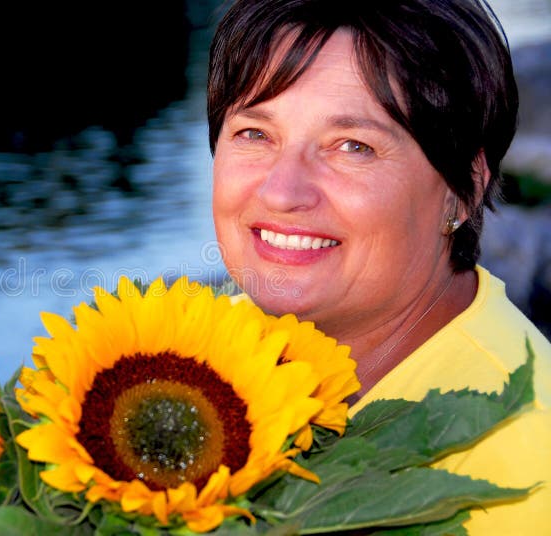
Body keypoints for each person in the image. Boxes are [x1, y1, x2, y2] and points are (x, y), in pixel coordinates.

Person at [207, 0, 551, 533]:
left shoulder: (525, 463)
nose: (281, 192)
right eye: (255, 134)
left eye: (353, 146)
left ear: (462, 191)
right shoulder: (194, 354)